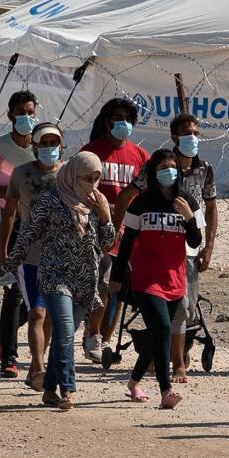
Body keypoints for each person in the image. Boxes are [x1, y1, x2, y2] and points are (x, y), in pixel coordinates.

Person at [1, 151, 116, 408]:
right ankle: (67, 390)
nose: (92, 184)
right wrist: (8, 263)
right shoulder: (51, 200)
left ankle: (49, 390)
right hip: (55, 276)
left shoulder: (97, 202)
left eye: (97, 178)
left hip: (85, 281)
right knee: (64, 332)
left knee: (64, 338)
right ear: (73, 175)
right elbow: (29, 234)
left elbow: (107, 244)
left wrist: (106, 216)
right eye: (87, 177)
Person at [117, 112, 218, 384]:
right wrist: (116, 229)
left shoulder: (204, 168)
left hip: (188, 245)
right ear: (174, 137)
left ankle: (174, 361)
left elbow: (210, 207)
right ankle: (171, 363)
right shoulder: (160, 164)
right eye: (187, 134)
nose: (193, 138)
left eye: (197, 133)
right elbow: (129, 195)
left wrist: (209, 246)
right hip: (156, 246)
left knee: (184, 307)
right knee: (163, 307)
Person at [115, 147, 203, 409]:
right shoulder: (141, 202)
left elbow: (196, 243)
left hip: (175, 280)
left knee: (156, 335)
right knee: (164, 328)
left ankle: (133, 383)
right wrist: (117, 279)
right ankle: (166, 391)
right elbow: (127, 242)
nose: (169, 172)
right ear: (153, 172)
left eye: (172, 168)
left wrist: (189, 219)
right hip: (145, 279)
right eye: (162, 168)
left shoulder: (186, 201)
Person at [0, 121, 65, 391]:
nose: (49, 148)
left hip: (60, 256)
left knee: (48, 316)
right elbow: (9, 211)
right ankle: (38, 366)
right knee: (36, 312)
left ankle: (39, 361)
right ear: (34, 146)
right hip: (30, 256)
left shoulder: (69, 174)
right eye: (43, 143)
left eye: (53, 142)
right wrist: (4, 251)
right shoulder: (21, 174)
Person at [80, 97, 148, 364]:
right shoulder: (91, 152)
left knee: (120, 288)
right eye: (118, 118)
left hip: (130, 230)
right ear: (107, 121)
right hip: (97, 227)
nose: (124, 123)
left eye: (128, 119)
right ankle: (93, 334)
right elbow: (80, 190)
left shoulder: (140, 156)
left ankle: (105, 340)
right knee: (103, 284)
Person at [0, 91, 40, 378]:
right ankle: (10, 357)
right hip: (6, 223)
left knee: (37, 291)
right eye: (20, 112)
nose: (25, 118)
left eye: (30, 112)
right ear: (10, 116)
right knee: (13, 290)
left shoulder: (43, 147)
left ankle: (8, 327)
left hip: (39, 226)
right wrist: (7, 193)